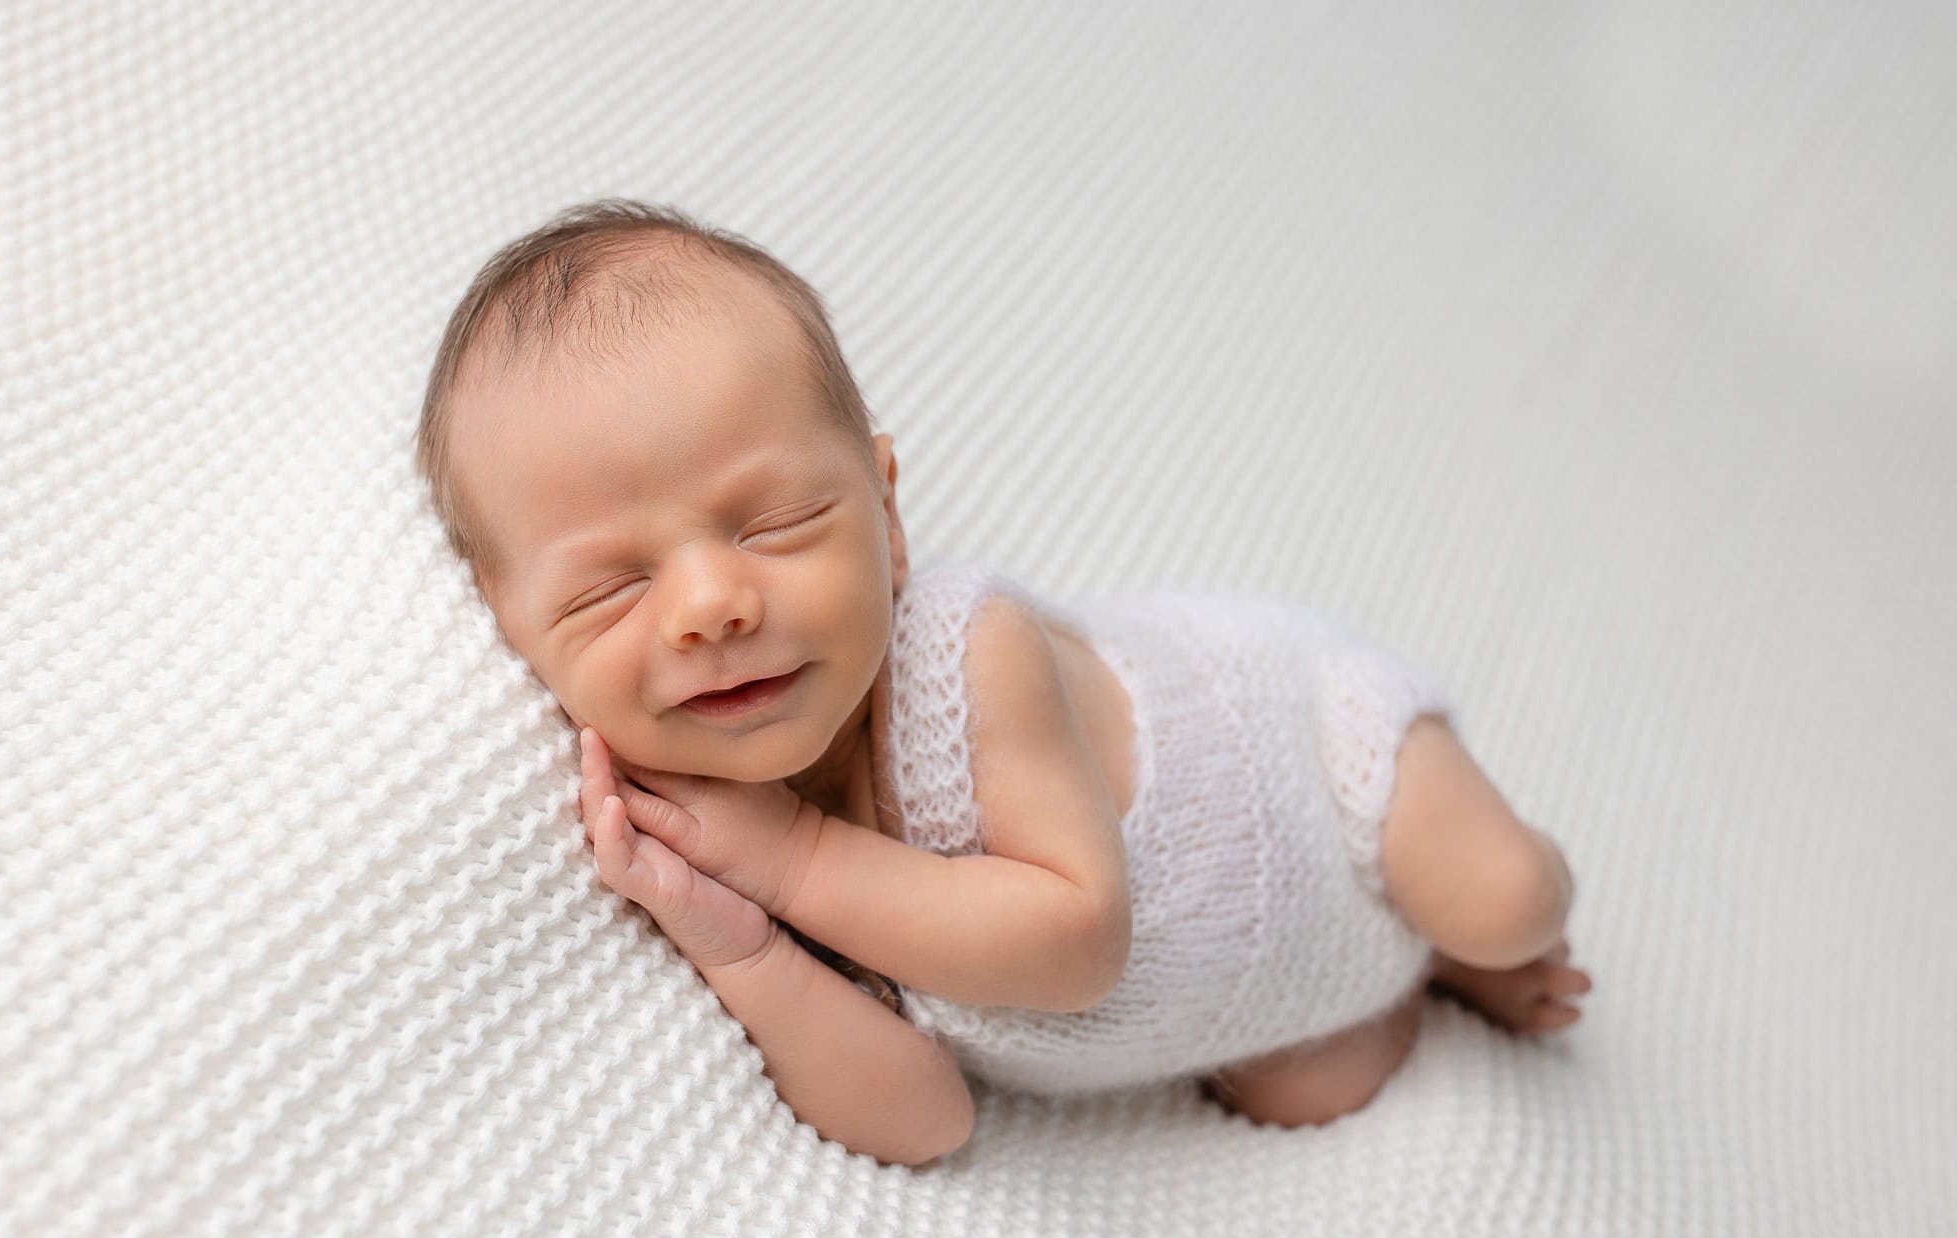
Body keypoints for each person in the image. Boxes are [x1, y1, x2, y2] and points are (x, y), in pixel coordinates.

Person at [413, 199, 1593, 1168]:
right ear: (510, 627)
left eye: (775, 523)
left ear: (884, 511)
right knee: (1310, 1085)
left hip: (1313, 757)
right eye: (608, 589)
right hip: (1243, 989)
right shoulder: (709, 834)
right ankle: (1407, 971)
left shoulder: (967, 654)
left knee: (1500, 895)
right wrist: (741, 946)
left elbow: (1076, 940)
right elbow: (925, 1121)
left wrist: (793, 860)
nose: (709, 604)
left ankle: (1464, 946)